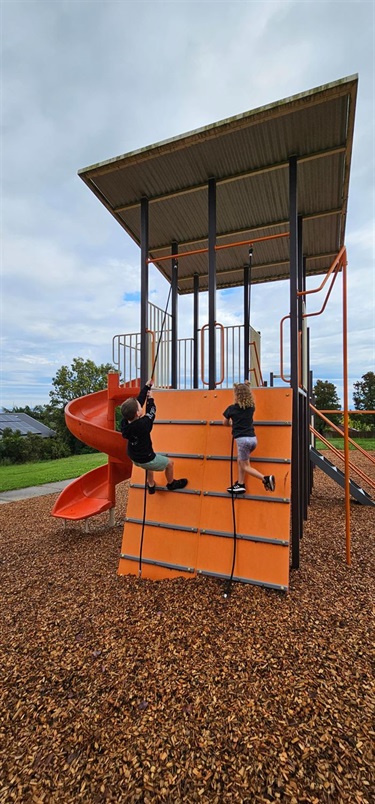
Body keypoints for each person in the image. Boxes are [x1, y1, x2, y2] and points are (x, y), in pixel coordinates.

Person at [120, 380, 188, 494]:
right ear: (138, 413)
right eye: (139, 406)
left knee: (147, 464)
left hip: (133, 456)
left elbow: (139, 402)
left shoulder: (125, 423)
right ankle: (171, 483)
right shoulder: (143, 424)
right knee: (169, 464)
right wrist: (151, 399)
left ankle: (151, 484)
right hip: (146, 458)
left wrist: (146, 387)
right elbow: (151, 412)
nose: (141, 404)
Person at [223, 381, 276, 494]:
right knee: (241, 460)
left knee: (246, 466)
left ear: (236, 395)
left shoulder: (231, 409)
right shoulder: (251, 407)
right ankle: (240, 484)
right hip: (252, 439)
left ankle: (265, 479)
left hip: (242, 441)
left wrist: (232, 423)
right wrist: (247, 386)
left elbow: (225, 423)